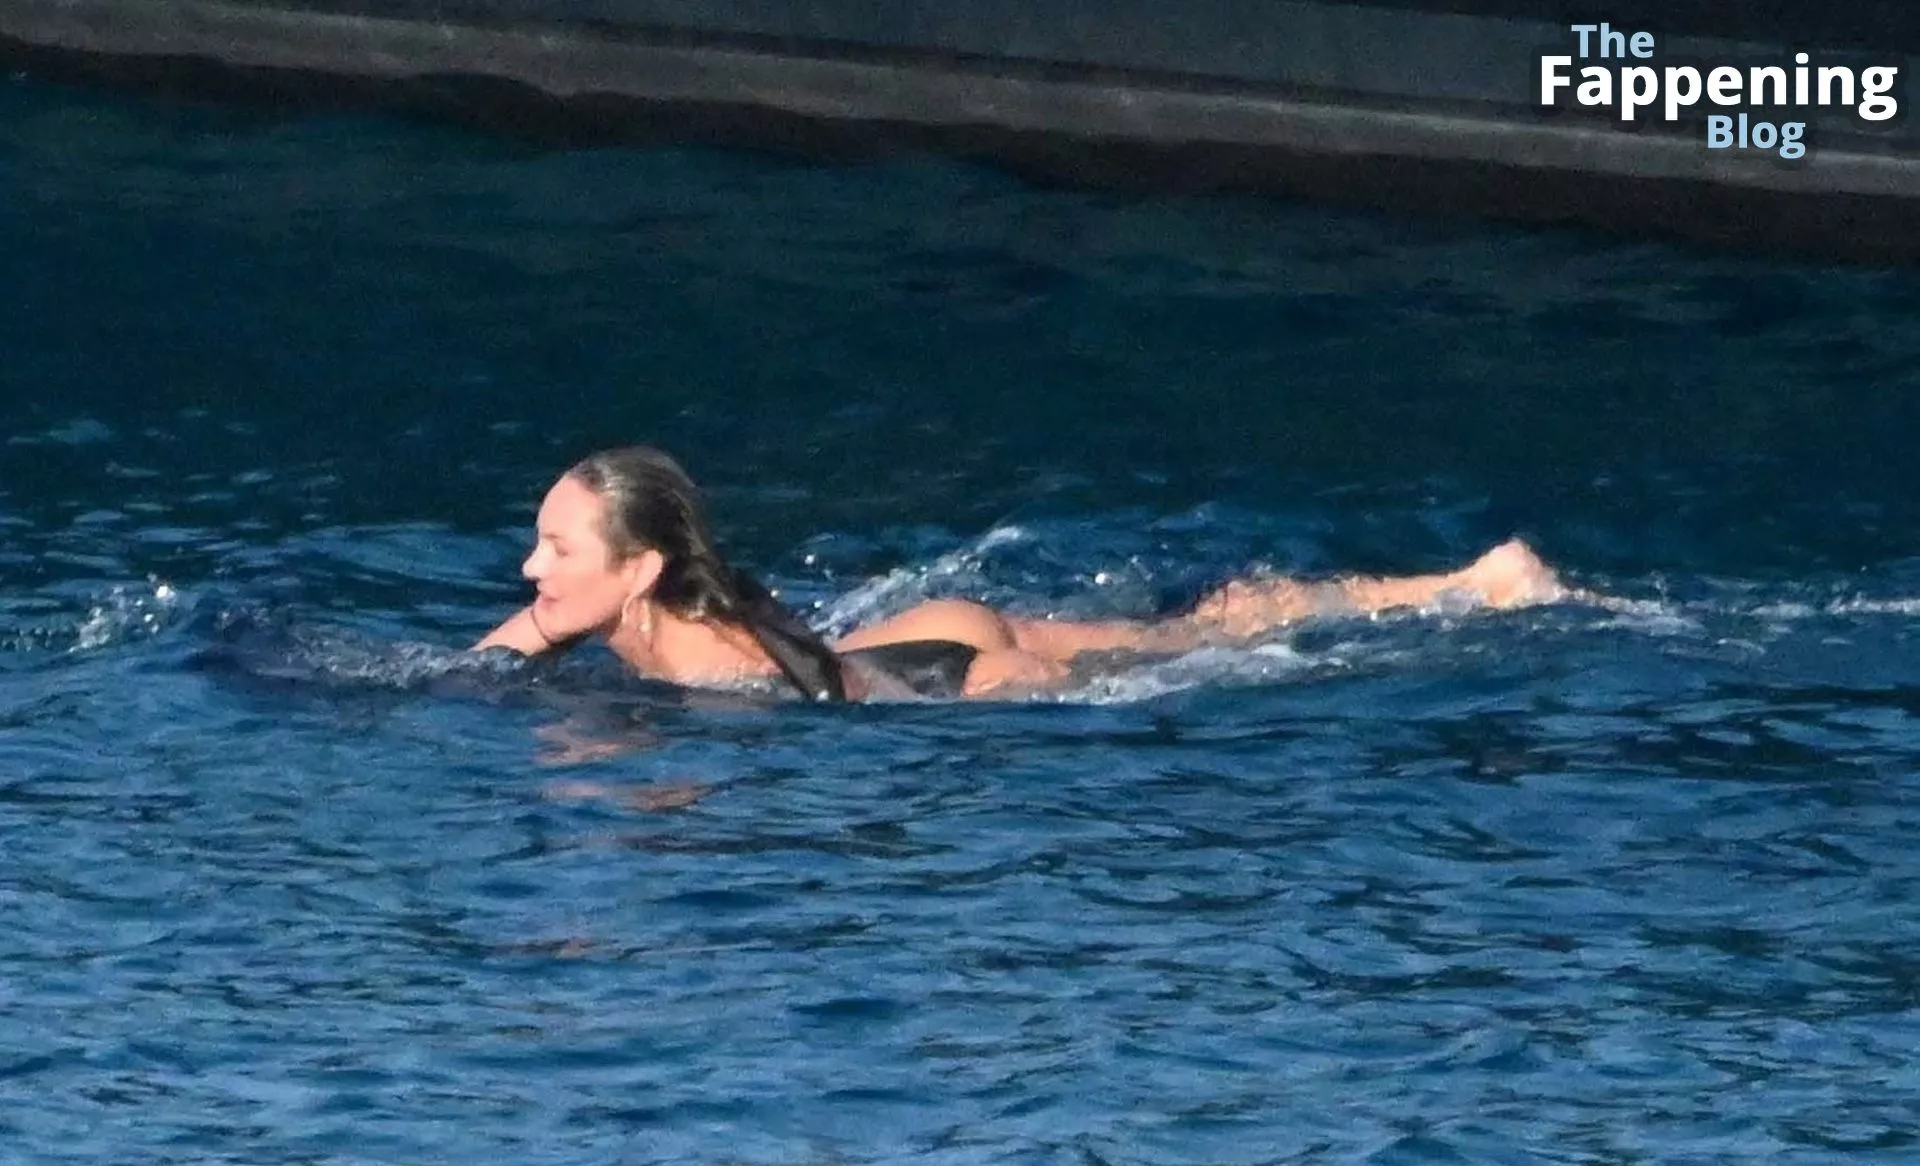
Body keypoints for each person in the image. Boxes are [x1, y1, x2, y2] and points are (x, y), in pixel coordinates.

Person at [473, 446, 1567, 699]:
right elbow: (467, 671)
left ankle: (1454, 600)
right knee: (1197, 630)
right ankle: (1467, 581)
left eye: (559, 548)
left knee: (1219, 666)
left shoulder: (703, 673)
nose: (531, 566)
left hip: (947, 680)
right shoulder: (619, 612)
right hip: (924, 627)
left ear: (641, 569)